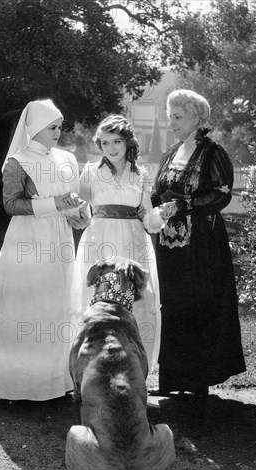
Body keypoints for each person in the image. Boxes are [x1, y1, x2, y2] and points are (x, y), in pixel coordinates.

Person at [0, 99, 89, 401]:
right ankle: (17, 385)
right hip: (27, 240)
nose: (57, 132)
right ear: (35, 129)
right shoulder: (18, 161)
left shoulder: (67, 159)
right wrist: (54, 204)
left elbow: (74, 198)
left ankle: (55, 381)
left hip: (59, 238)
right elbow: (11, 204)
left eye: (59, 127)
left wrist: (78, 213)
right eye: (52, 127)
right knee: (28, 305)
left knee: (57, 305)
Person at [151, 90, 246, 396]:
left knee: (196, 306)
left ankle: (197, 385)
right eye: (170, 117)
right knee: (171, 306)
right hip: (168, 245)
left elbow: (220, 193)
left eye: (177, 117)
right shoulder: (171, 153)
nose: (171, 123)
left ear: (195, 118)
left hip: (200, 246)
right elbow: (157, 192)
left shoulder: (212, 152)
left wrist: (184, 205)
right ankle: (172, 382)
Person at [71, 115, 165, 367]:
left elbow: (147, 215)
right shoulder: (91, 171)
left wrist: (160, 217)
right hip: (99, 238)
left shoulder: (141, 173)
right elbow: (80, 209)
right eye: (104, 143)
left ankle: (132, 361)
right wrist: (72, 211)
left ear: (128, 143)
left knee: (135, 299)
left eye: (116, 142)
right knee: (98, 296)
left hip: (134, 239)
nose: (110, 148)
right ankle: (94, 359)